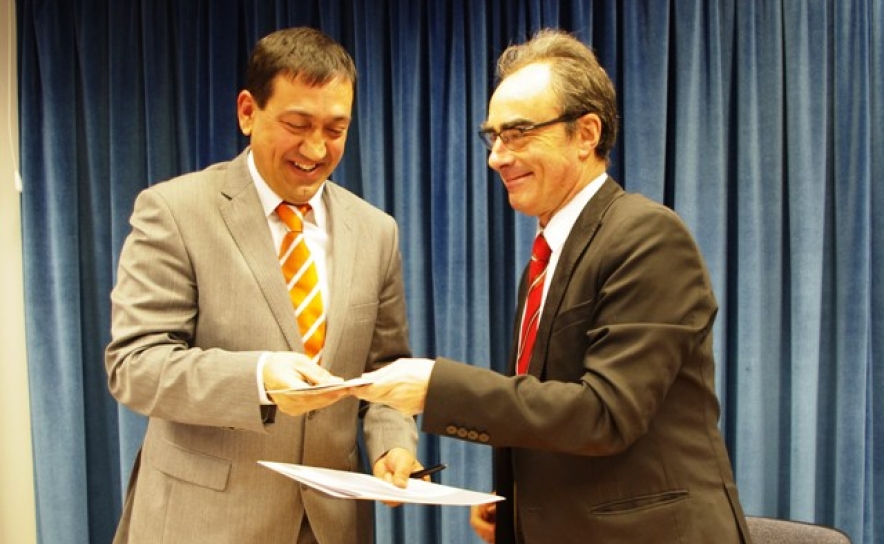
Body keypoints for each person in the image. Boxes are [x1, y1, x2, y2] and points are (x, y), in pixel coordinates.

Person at [355, 28, 753, 544]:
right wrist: (517, 506)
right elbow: (549, 409)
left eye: (518, 133)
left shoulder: (648, 236)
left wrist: (437, 386)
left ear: (586, 133)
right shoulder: (545, 260)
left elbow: (605, 414)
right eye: (493, 137)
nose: (497, 157)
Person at [105, 27, 422, 544]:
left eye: (336, 129)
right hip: (204, 524)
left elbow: (384, 371)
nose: (316, 148)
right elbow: (135, 366)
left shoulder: (376, 230)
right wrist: (257, 379)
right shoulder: (174, 211)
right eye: (297, 125)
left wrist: (393, 443)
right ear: (248, 112)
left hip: (331, 526)